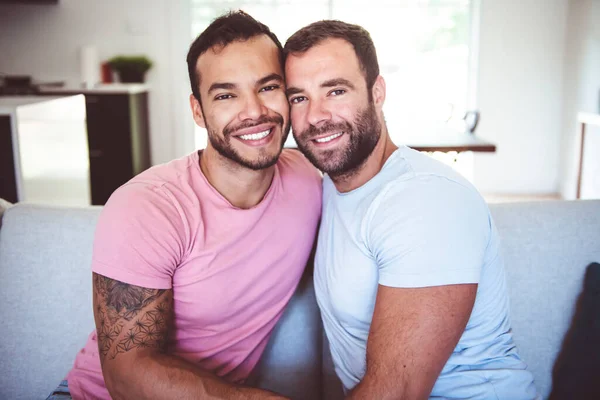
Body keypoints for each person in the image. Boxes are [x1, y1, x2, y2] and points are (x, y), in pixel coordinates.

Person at [61, 11, 322, 400]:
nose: (253, 111)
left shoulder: (307, 180)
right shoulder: (148, 207)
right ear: (198, 110)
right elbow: (126, 376)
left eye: (268, 87)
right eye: (226, 95)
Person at [284, 20, 538, 400]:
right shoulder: (330, 184)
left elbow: (396, 392)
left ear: (377, 91)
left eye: (335, 90)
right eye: (299, 97)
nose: (317, 116)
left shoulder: (425, 201)